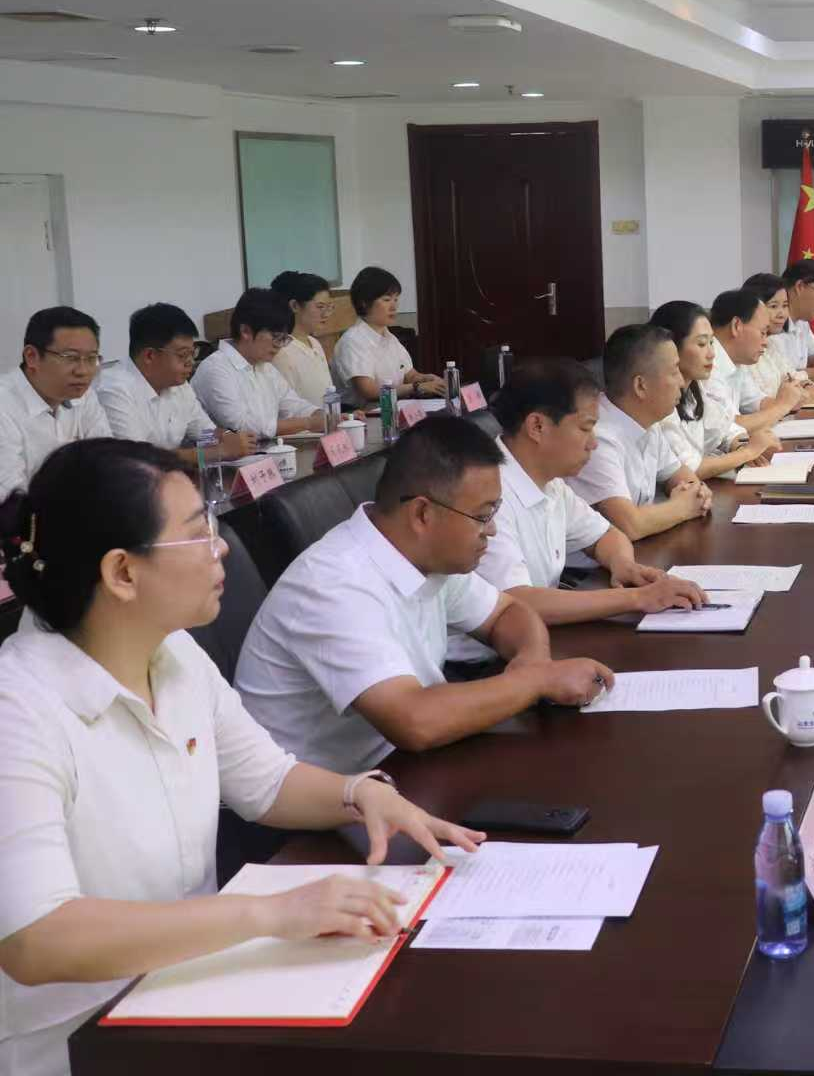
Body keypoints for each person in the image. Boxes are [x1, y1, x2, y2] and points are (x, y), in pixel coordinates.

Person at [0, 440, 477, 1075]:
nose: (221, 547)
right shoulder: (19, 710)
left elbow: (267, 782)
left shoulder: (173, 654)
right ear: (122, 573)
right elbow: (36, 939)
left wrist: (359, 793)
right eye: (197, 532)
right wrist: (268, 913)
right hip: (76, 1044)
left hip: (187, 993)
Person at [235, 416, 610, 771]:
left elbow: (507, 613)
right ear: (422, 515)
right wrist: (535, 682)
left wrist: (533, 661)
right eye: (482, 516)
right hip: (323, 799)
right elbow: (415, 721)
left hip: (400, 769)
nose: (492, 530)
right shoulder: (333, 585)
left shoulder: (426, 555)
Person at [451, 358, 702, 662]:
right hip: (484, 666)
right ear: (537, 426)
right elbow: (516, 602)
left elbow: (606, 535)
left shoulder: (551, 482)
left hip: (541, 643)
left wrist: (623, 564)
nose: (593, 443)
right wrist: (636, 597)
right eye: (585, 428)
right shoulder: (488, 494)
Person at [568, 325, 711, 541]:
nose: (682, 383)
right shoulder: (597, 438)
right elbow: (630, 525)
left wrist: (697, 493)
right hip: (598, 561)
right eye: (674, 372)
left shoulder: (648, 421)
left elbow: (682, 477)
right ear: (641, 386)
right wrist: (683, 506)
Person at [95, 303, 252, 465]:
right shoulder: (113, 390)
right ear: (149, 356)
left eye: (192, 353)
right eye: (183, 355)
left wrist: (225, 436)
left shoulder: (178, 384)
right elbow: (139, 460)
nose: (190, 362)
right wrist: (217, 452)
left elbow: (202, 433)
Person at [649, 301, 778, 480]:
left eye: (711, 343)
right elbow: (686, 468)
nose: (711, 354)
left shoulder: (695, 388)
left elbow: (724, 428)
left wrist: (740, 445)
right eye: (702, 344)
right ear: (672, 348)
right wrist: (748, 452)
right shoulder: (659, 401)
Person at [0, 308, 112, 499]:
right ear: (32, 356)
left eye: (91, 358)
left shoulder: (83, 393)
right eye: (71, 358)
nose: (83, 371)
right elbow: (12, 499)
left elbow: (108, 461)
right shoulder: (5, 405)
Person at [189, 288, 325, 440]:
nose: (279, 345)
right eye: (276, 337)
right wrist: (308, 423)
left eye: (284, 339)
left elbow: (291, 404)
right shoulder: (215, 369)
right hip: (223, 454)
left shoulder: (265, 366)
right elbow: (241, 426)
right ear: (245, 331)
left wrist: (323, 415)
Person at [331, 266, 447, 405]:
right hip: (364, 413)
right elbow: (369, 391)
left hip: (394, 408)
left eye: (396, 299)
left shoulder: (390, 337)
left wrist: (426, 379)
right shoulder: (352, 340)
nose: (394, 307)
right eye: (386, 300)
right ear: (364, 303)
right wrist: (416, 387)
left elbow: (410, 375)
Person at [708, 287, 806, 436]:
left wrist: (791, 399)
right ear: (736, 326)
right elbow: (727, 428)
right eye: (763, 333)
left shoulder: (737, 361)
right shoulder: (708, 364)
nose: (765, 342)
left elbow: (758, 402)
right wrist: (782, 406)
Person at [742, 272, 814, 404]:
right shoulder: (744, 352)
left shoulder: (770, 345)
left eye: (785, 306)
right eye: (773, 306)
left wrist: (809, 388)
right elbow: (759, 403)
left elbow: (792, 376)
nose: (782, 314)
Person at [268, 271, 337, 406]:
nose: (326, 314)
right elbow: (287, 405)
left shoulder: (314, 343)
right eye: (320, 307)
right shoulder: (281, 350)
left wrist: (339, 414)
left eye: (329, 307)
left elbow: (328, 393)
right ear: (295, 306)